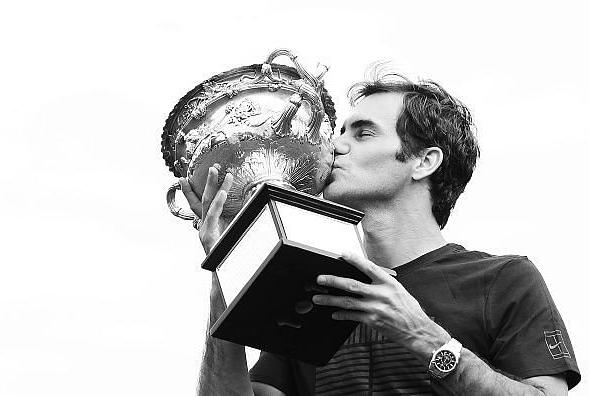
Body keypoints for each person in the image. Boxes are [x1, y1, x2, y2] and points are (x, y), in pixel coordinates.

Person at [179, 65, 581, 395]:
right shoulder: (307, 285)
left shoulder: (503, 280)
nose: (335, 146)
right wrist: (225, 270)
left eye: (363, 133)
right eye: (339, 132)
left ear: (424, 161)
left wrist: (425, 338)